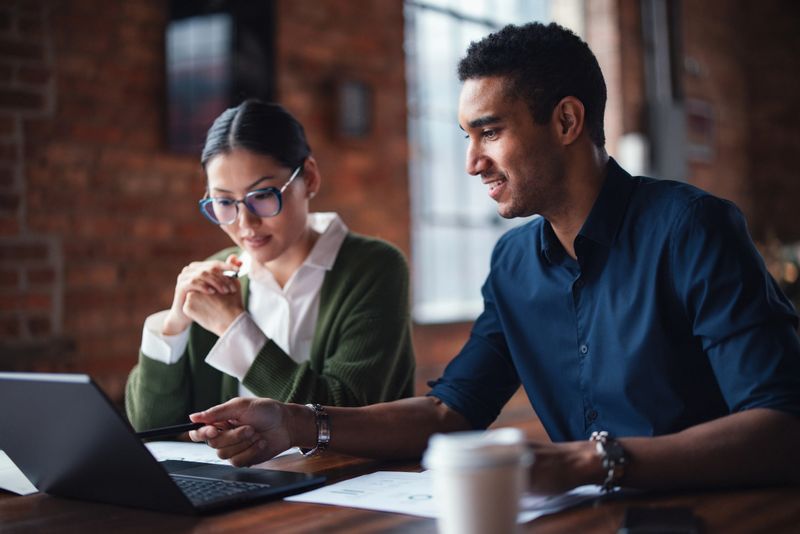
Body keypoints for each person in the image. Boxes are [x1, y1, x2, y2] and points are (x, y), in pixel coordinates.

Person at [188, 23, 800, 493]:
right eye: (466, 137)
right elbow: (451, 410)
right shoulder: (513, 264)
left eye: (490, 132)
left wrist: (588, 459)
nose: (472, 162)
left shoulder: (693, 228)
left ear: (566, 120)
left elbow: (781, 425)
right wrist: (294, 422)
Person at [125, 100, 415, 431]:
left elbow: (344, 414)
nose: (245, 223)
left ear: (309, 177)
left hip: (347, 480)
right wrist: (175, 326)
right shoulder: (215, 276)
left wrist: (234, 328)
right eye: (223, 202)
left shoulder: (374, 268)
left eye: (262, 195)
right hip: (238, 479)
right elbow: (151, 427)